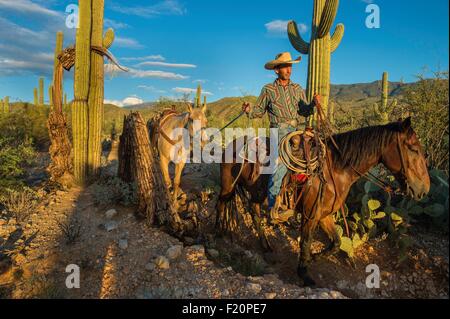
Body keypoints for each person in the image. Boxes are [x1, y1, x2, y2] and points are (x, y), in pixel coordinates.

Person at [242, 52, 320, 220]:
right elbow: (259, 111)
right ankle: (273, 206)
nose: (289, 69)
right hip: (277, 130)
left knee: (314, 157)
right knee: (281, 165)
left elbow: (304, 110)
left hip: (295, 130)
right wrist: (249, 110)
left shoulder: (297, 89)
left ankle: (309, 201)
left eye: (290, 66)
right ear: (276, 70)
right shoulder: (268, 90)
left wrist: (313, 103)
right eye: (285, 66)